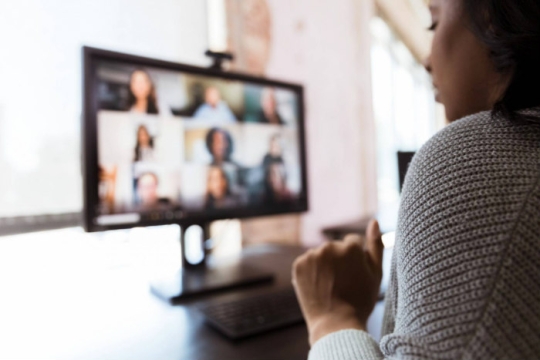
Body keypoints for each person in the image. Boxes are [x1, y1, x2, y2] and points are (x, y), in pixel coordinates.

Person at [293, 0, 540, 359]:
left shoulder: (470, 159)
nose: (426, 60)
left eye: (433, 23)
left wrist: (331, 319)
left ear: (491, 16)